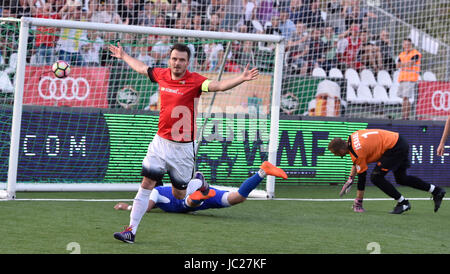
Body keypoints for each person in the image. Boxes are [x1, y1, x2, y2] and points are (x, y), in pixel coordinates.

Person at [109, 42, 260, 242]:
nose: (177, 63)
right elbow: (142, 68)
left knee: (180, 195)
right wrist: (124, 55)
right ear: (169, 60)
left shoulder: (195, 81)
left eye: (181, 60)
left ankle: (199, 182)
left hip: (182, 150)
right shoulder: (162, 75)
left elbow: (218, 86)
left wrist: (241, 78)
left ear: (188, 62)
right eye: (174, 59)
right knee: (147, 184)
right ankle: (131, 230)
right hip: (160, 143)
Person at [113, 161, 288, 243]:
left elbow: (148, 207)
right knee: (238, 198)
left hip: (189, 200)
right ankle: (263, 172)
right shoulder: (160, 190)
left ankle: (198, 193)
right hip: (203, 196)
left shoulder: (155, 192)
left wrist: (128, 207)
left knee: (185, 203)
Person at [328, 129, 446, 214]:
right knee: (402, 179)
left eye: (336, 153)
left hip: (394, 148)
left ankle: (403, 203)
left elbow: (362, 177)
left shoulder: (356, 153)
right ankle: (436, 191)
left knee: (376, 177)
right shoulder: (352, 137)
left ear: (342, 149)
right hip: (400, 141)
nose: (337, 155)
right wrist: (350, 179)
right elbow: (357, 160)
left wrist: (358, 202)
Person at [396, 38, 421, 120]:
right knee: (404, 98)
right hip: (402, 78)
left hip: (410, 78)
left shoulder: (416, 53)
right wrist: (405, 64)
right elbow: (397, 65)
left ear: (411, 45)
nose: (407, 46)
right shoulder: (401, 54)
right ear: (403, 45)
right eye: (405, 44)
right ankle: (404, 116)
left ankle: (406, 117)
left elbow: (411, 63)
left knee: (406, 97)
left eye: (408, 44)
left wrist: (403, 64)